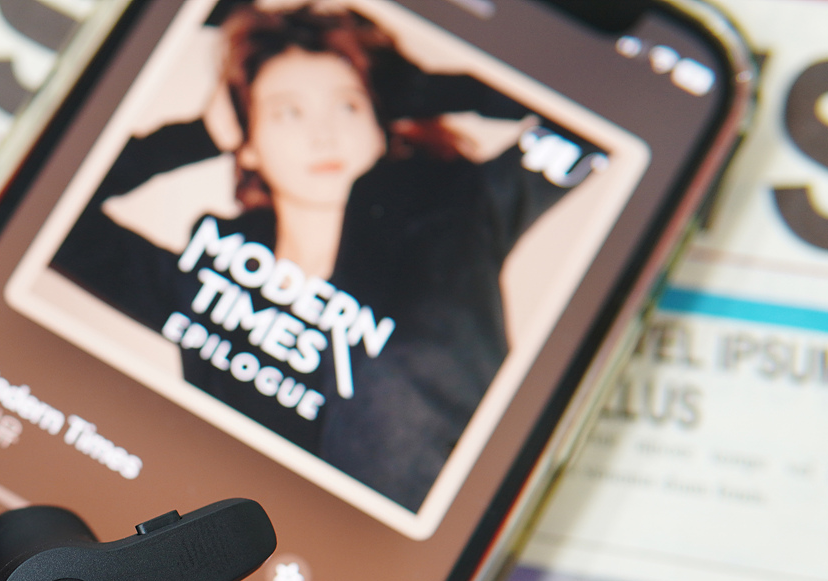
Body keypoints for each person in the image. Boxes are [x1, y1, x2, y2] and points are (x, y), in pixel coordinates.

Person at [51, 1, 601, 512]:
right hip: (254, 533)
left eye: (347, 106)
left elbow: (595, 117)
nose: (323, 134)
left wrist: (423, 89)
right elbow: (51, 212)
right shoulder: (210, 272)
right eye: (288, 113)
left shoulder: (460, 212)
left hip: (428, 523)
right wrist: (198, 135)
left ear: (379, 127)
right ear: (248, 144)